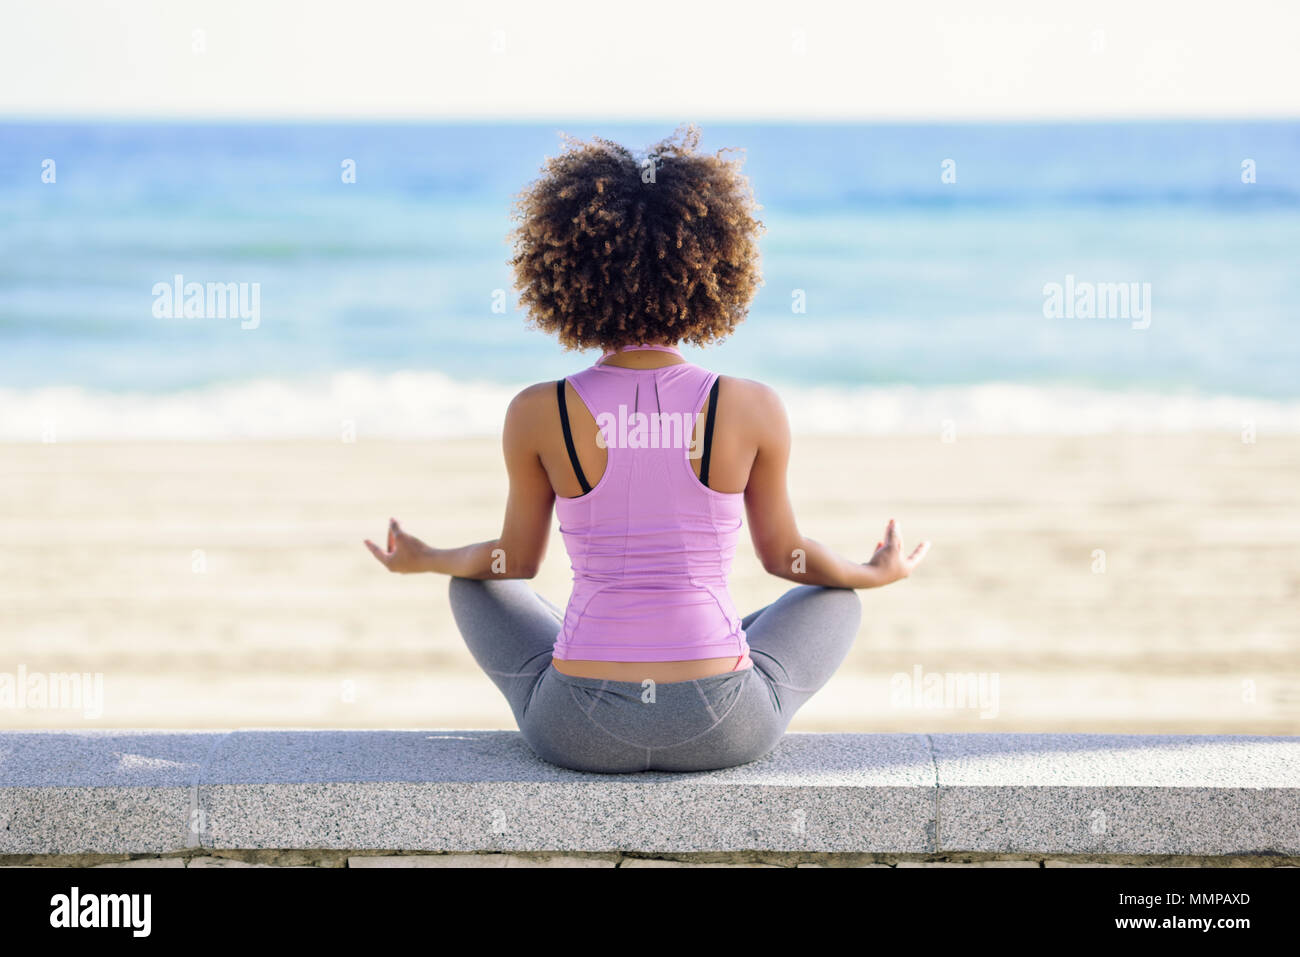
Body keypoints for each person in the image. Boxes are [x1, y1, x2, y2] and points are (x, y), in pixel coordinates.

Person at [365, 125, 929, 772]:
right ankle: (712, 644)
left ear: (566, 273)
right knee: (834, 596)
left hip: (578, 730)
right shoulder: (750, 406)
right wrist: (875, 571)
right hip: (720, 727)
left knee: (471, 585)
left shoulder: (536, 410)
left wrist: (425, 557)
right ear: (714, 267)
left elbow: (512, 561)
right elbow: (789, 559)